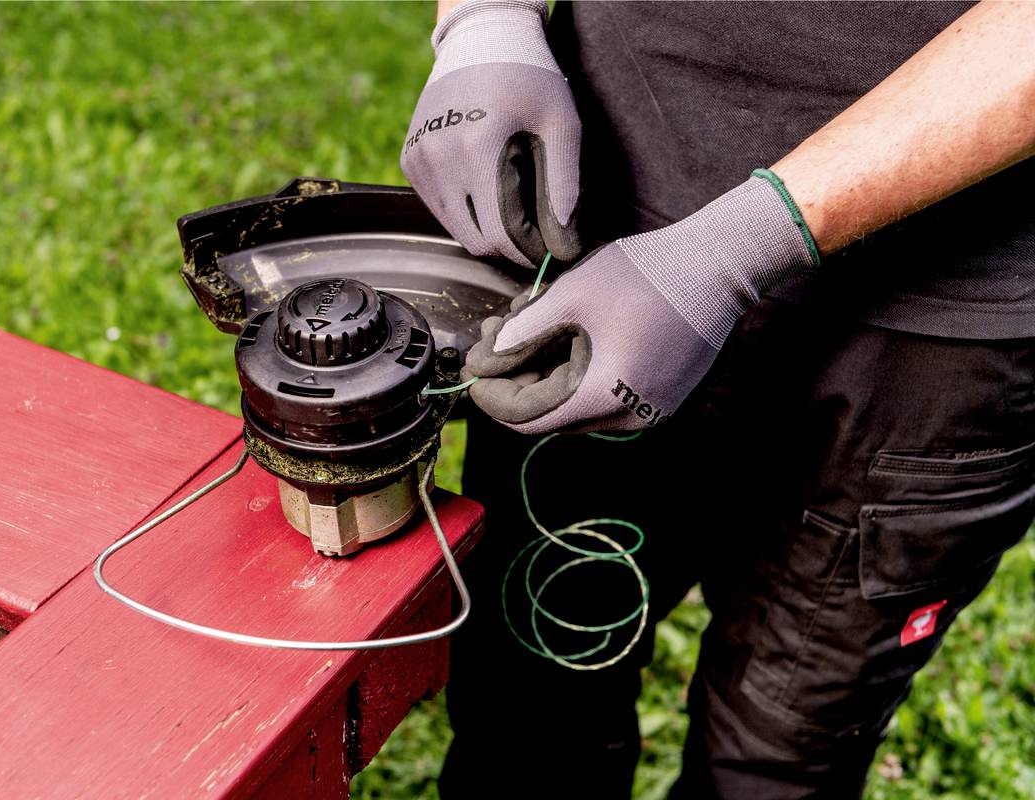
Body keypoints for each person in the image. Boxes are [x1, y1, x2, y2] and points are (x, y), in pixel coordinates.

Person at [399, 1, 1035, 797]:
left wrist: (735, 249)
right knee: (529, 702)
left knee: (772, 763)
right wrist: (486, 21)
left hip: (942, 330)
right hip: (601, 222)